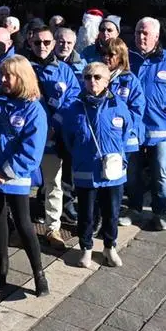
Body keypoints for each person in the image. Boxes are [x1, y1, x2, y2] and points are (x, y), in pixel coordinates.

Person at [0, 55, 49, 296]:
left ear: (22, 77)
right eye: (1, 75)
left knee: (24, 224)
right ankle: (2, 265)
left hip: (16, 177)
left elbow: (32, 151)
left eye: (8, 76)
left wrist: (5, 173)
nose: (2, 79)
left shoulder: (34, 109)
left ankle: (39, 274)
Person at [59, 61, 132, 268]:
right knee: (86, 213)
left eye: (97, 77)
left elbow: (127, 132)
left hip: (113, 171)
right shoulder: (74, 108)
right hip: (86, 170)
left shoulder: (118, 105)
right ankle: (86, 248)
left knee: (112, 213)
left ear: (107, 81)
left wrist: (118, 156)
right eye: (88, 77)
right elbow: (68, 138)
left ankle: (110, 247)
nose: (92, 81)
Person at [124, 17, 166, 231]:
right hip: (133, 128)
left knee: (160, 172)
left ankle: (159, 212)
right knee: (132, 172)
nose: (140, 37)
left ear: (156, 36)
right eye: (137, 32)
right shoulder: (126, 58)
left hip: (160, 128)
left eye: (145, 33)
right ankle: (133, 208)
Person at [28, 25, 81, 250]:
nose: (42, 46)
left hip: (52, 138)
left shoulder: (64, 70)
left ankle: (53, 227)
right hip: (27, 137)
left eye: (47, 43)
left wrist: (55, 122)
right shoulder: (21, 66)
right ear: (30, 43)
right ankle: (18, 227)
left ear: (53, 44)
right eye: (38, 42)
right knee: (20, 183)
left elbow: (73, 98)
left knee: (54, 183)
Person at [99, 38, 146, 228]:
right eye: (104, 54)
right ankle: (107, 214)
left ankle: (134, 208)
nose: (106, 58)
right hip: (106, 141)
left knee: (130, 177)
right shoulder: (99, 77)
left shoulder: (130, 80)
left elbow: (137, 111)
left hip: (127, 140)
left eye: (111, 54)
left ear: (121, 57)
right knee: (109, 177)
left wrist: (121, 130)